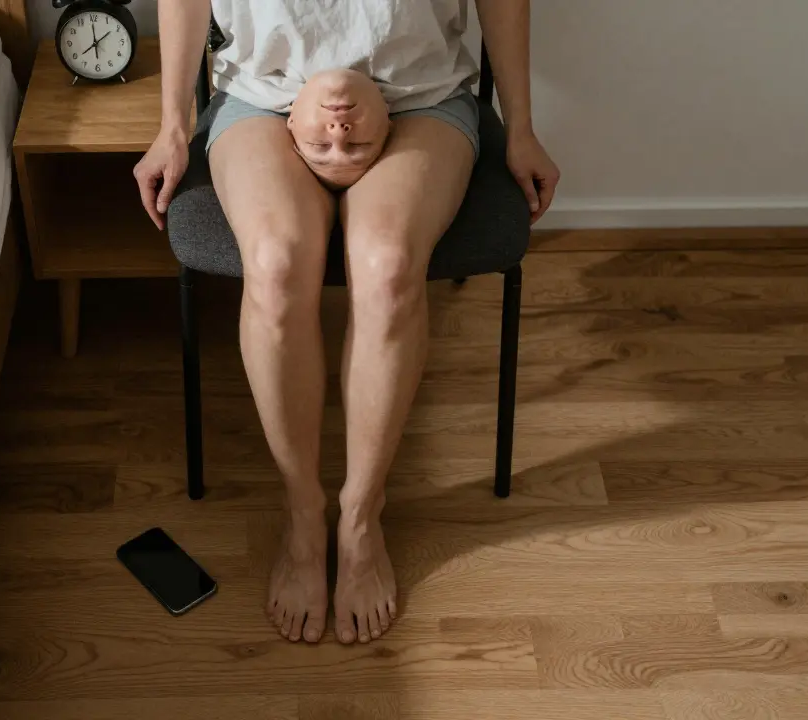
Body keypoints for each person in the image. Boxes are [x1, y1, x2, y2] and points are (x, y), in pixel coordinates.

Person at [134, 0, 561, 645]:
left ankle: (361, 516)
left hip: (421, 94)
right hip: (264, 95)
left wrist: (522, 125)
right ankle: (303, 512)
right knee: (276, 265)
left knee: (388, 267)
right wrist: (171, 124)